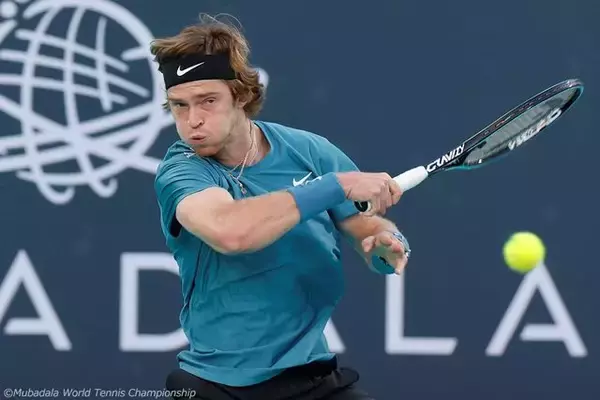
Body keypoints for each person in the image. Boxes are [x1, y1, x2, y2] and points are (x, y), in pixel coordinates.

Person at [151, 14, 411, 400]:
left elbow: (367, 227)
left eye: (208, 101)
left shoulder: (310, 151)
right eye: (179, 106)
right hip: (216, 386)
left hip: (313, 378)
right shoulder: (181, 171)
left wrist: (386, 244)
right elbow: (231, 232)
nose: (193, 121)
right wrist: (334, 185)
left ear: (240, 96)